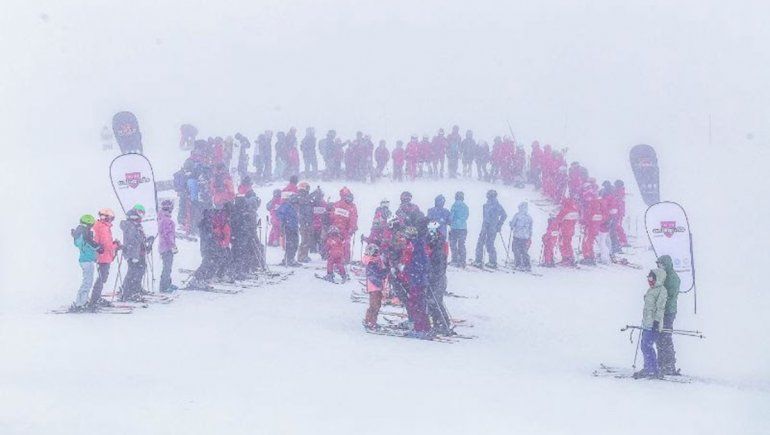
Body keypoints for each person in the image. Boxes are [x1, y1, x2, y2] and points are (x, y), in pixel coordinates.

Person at [634, 268, 668, 379]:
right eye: (648, 278)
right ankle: (650, 368)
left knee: (647, 346)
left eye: (651, 278)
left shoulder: (662, 290)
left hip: (654, 324)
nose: (649, 280)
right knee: (644, 346)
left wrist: (657, 322)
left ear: (657, 278)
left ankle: (652, 369)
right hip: (647, 323)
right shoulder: (651, 290)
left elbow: (660, 308)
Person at [656, 255, 681, 375]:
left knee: (665, 336)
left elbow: (670, 295)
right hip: (662, 311)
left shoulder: (672, 278)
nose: (659, 266)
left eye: (661, 264)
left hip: (668, 311)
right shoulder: (663, 275)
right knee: (660, 337)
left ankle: (669, 365)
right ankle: (661, 363)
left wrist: (658, 300)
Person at [90, 208, 120, 307]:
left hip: (104, 255)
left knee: (103, 277)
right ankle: (95, 299)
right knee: (102, 277)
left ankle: (96, 297)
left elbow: (105, 243)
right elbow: (106, 245)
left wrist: (114, 244)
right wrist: (115, 246)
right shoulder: (102, 227)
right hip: (102, 256)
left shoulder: (103, 227)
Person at [426, 221, 452, 335]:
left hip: (438, 277)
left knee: (436, 301)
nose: (431, 233)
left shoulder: (439, 247)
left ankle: (444, 323)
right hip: (432, 277)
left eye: (433, 231)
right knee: (431, 301)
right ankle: (437, 323)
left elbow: (441, 264)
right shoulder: (430, 243)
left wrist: (433, 274)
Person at [70, 214, 100, 311]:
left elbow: (85, 243)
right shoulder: (84, 232)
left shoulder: (80, 232)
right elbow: (90, 243)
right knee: (87, 282)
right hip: (87, 260)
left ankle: (82, 300)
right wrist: (99, 247)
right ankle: (80, 303)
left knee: (87, 281)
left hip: (86, 259)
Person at [472, 190, 507, 269]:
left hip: (490, 227)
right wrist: (498, 225)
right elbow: (503, 215)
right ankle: (491, 261)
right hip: (490, 227)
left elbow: (504, 215)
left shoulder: (494, 205)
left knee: (482, 243)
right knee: (489, 244)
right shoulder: (489, 205)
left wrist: (499, 224)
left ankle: (479, 260)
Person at [120, 208, 148, 301]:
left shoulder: (135, 226)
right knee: (133, 273)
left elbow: (139, 239)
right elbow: (133, 240)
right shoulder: (130, 226)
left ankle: (134, 290)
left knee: (138, 271)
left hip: (137, 253)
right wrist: (141, 239)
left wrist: (146, 241)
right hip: (132, 253)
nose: (139, 220)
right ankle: (128, 292)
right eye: (137, 218)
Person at [362, 243, 387, 330]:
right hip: (374, 286)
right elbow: (376, 273)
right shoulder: (371, 262)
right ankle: (369, 321)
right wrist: (384, 272)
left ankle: (373, 321)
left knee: (377, 305)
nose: (377, 254)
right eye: (375, 252)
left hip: (378, 285)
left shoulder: (377, 260)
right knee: (374, 305)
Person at [157, 200, 178, 293]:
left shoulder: (163, 218)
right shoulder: (166, 219)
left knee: (167, 266)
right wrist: (172, 245)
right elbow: (167, 234)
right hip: (166, 247)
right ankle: (164, 286)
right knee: (167, 267)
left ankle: (167, 284)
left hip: (164, 246)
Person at [277, 194, 300, 266]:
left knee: (295, 244)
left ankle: (290, 258)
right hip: (288, 228)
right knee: (290, 244)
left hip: (294, 228)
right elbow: (280, 214)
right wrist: (284, 223)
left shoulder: (293, 208)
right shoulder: (286, 206)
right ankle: (288, 259)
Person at [509, 202, 532, 271]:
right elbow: (530, 228)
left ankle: (518, 264)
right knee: (524, 250)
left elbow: (513, 224)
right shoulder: (529, 217)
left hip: (517, 236)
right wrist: (530, 236)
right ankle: (527, 264)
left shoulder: (517, 215)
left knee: (516, 250)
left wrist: (511, 224)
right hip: (525, 237)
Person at [449, 191, 469, 267]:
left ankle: (455, 259)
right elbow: (466, 216)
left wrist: (450, 222)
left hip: (454, 227)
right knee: (462, 244)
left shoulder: (454, 205)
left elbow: (451, 216)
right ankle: (462, 260)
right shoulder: (465, 206)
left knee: (453, 244)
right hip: (463, 227)